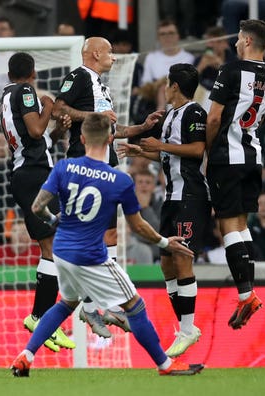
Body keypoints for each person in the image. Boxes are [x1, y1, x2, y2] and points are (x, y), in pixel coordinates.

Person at [10, 113, 203, 377]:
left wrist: (57, 221)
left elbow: (36, 207)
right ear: (111, 139)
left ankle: (26, 355)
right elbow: (137, 226)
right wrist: (163, 241)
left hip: (62, 252)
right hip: (91, 256)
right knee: (135, 306)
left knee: (66, 303)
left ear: (81, 138)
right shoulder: (120, 180)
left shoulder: (63, 168)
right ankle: (166, 365)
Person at [52, 37, 163, 336]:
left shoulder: (100, 85)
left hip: (103, 165)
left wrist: (141, 129)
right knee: (89, 236)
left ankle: (102, 303)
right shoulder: (79, 76)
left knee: (110, 232)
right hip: (82, 163)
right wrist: (93, 116)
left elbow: (110, 126)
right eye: (111, 52)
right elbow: (58, 109)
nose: (114, 57)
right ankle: (91, 305)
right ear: (96, 53)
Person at [118, 63, 210, 357]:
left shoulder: (196, 113)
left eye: (167, 82)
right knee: (166, 264)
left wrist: (159, 146)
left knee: (182, 259)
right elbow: (166, 156)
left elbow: (197, 150)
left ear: (174, 86)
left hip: (192, 197)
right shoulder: (171, 114)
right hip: (172, 196)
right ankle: (184, 327)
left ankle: (188, 329)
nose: (163, 87)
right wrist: (141, 151)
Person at [0, 52, 74, 352]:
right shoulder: (27, 91)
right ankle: (41, 317)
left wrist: (60, 129)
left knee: (53, 246)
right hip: (33, 176)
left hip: (27, 173)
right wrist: (49, 106)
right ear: (32, 72)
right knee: (53, 247)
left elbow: (40, 139)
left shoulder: (6, 96)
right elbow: (35, 129)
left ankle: (43, 317)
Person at [205, 19, 265, 330]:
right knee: (242, 225)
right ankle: (249, 292)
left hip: (228, 155)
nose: (235, 43)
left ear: (247, 41)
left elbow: (215, 117)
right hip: (254, 156)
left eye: (238, 38)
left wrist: (208, 152)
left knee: (227, 226)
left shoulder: (231, 70)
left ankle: (247, 294)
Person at [140, 20, 195, 85]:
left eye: (171, 33)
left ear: (178, 36)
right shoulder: (151, 58)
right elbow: (146, 85)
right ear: (158, 38)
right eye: (163, 34)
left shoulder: (189, 58)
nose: (167, 37)